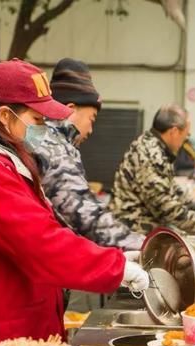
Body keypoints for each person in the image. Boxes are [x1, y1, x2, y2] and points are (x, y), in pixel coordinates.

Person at [0, 59, 149, 342]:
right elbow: (42, 242)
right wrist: (116, 267)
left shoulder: (5, 165)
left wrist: (116, 257)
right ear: (6, 116)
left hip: (9, 324)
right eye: (37, 120)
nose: (44, 129)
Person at [33, 58, 143, 251]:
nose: (91, 129)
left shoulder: (45, 137)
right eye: (92, 119)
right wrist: (143, 245)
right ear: (70, 109)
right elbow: (84, 215)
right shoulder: (52, 144)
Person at [111, 104, 195, 235]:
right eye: (186, 135)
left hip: (141, 224)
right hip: (133, 229)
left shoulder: (154, 145)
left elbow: (171, 188)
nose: (184, 141)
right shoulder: (151, 154)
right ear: (174, 132)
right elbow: (164, 205)